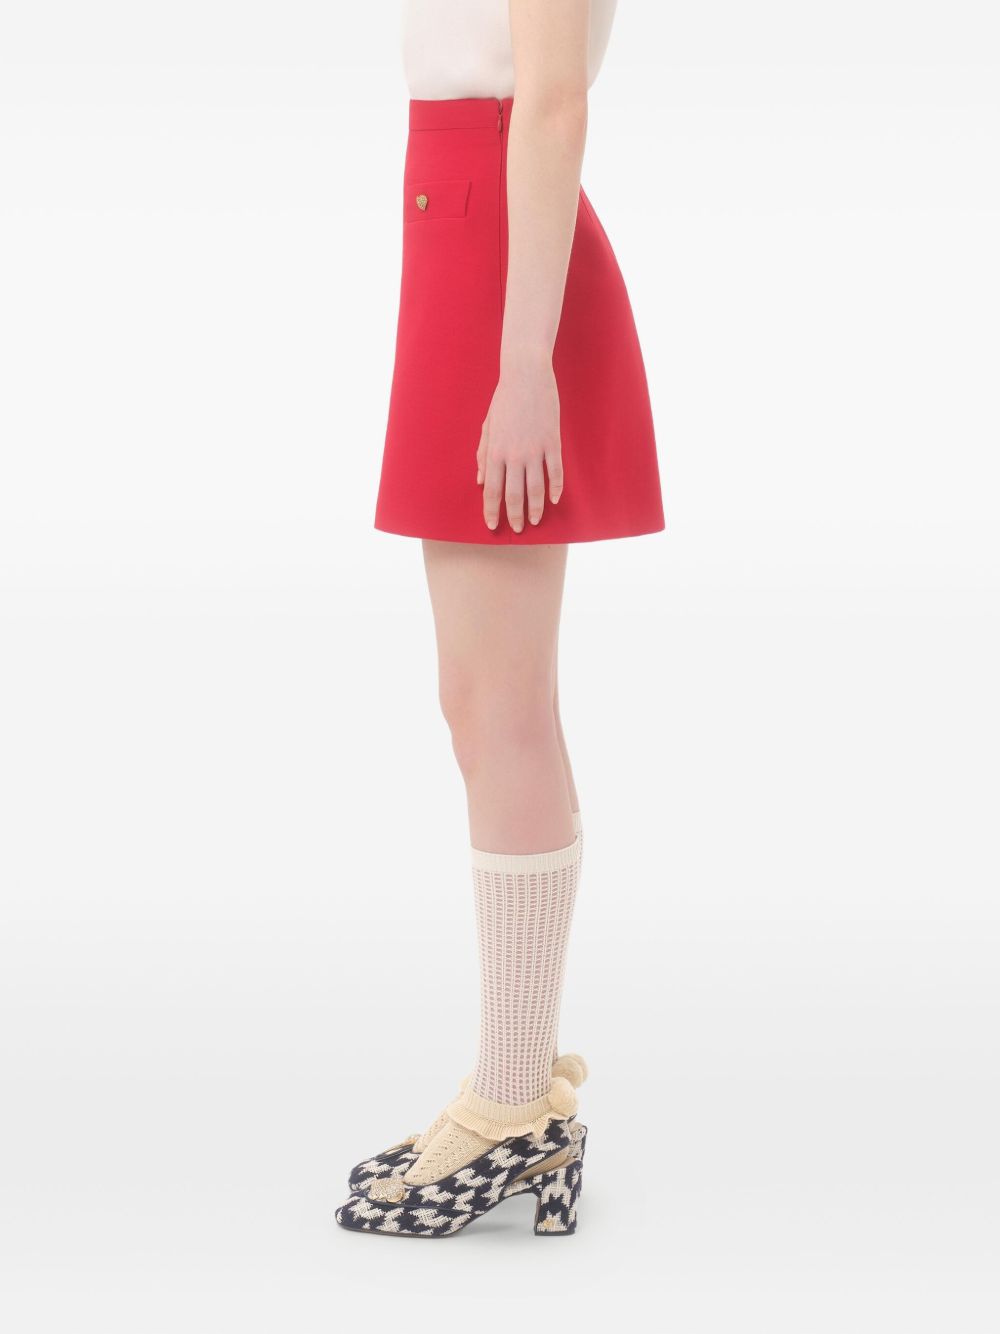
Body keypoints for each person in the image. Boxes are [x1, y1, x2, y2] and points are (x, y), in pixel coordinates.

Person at [337, 0, 663, 1239]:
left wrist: (525, 365)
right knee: (481, 700)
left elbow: (554, 99)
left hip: (498, 247)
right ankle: (516, 1081)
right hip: (462, 224)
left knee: (499, 703)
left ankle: (514, 1101)